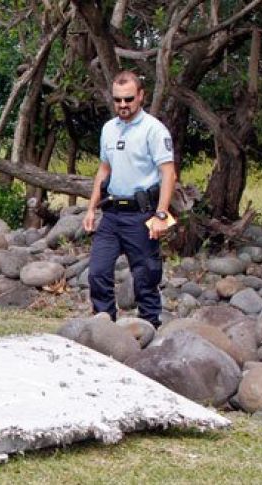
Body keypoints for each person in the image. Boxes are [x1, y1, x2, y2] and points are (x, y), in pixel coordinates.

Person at [82, 71, 177, 328]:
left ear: (141, 96)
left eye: (128, 99)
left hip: (142, 214)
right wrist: (91, 209)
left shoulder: (154, 130)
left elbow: (168, 173)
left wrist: (160, 215)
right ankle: (104, 326)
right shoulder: (109, 129)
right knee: (98, 272)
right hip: (112, 214)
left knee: (145, 276)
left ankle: (149, 328)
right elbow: (104, 169)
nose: (123, 105)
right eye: (118, 100)